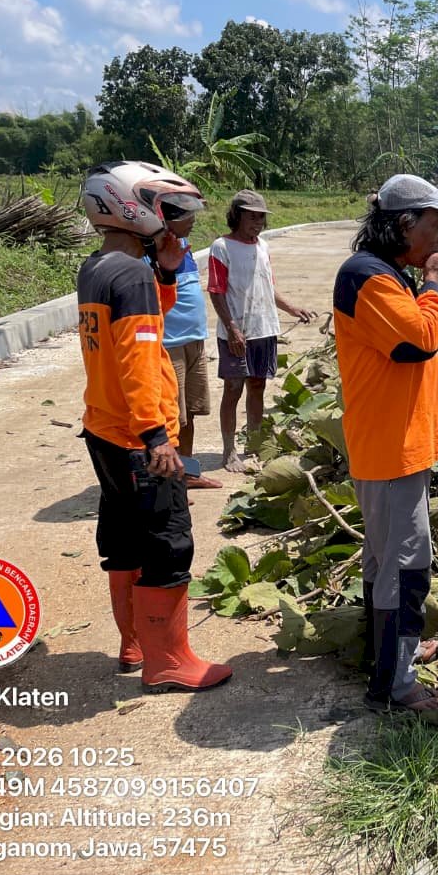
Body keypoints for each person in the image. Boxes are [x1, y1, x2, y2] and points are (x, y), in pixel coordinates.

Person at [76, 160, 232, 692]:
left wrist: (164, 274)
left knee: (122, 537)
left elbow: (135, 331)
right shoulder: (133, 275)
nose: (176, 222)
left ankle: (134, 643)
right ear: (132, 206)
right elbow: (139, 359)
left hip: (103, 427)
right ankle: (169, 662)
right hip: (136, 435)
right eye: (168, 210)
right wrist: (157, 437)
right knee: (168, 542)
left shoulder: (97, 268)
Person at [332, 174, 438, 713]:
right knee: (406, 566)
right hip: (390, 449)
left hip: (393, 445)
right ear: (405, 224)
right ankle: (397, 687)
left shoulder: (382, 273)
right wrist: (432, 285)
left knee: (385, 560)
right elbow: (418, 341)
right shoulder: (370, 277)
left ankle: (388, 660)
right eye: (434, 226)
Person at [207, 189, 316, 473]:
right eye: (252, 216)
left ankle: (253, 446)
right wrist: (231, 328)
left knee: (258, 386)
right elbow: (216, 292)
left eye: (261, 218)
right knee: (232, 388)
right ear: (237, 216)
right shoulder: (222, 247)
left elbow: (268, 287)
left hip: (264, 329)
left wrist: (292, 308)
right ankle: (229, 450)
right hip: (237, 330)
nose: (258, 222)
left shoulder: (263, 247)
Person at [162, 233, 221, 489]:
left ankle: (186, 475)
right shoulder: (151, 247)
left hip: (194, 339)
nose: (193, 219)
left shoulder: (182, 243)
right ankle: (170, 484)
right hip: (169, 342)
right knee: (171, 416)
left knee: (190, 414)